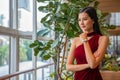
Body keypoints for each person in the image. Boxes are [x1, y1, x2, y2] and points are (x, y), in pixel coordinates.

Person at [66, 7, 109, 80]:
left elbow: (93, 65)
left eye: (85, 19)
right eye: (79, 20)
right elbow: (68, 67)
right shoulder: (76, 40)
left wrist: (85, 40)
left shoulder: (102, 39)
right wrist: (88, 65)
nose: (81, 23)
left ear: (93, 20)